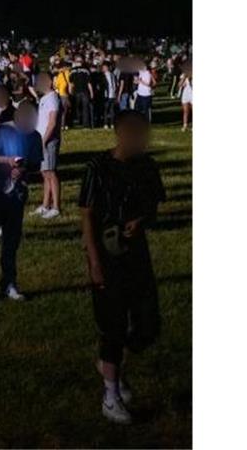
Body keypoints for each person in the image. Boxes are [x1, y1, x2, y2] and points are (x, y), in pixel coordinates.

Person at [79, 109, 165, 425]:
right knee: (112, 325)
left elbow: (155, 206)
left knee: (147, 325)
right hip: (106, 253)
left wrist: (141, 221)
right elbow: (87, 214)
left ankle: (108, 362)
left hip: (137, 255)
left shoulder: (147, 167)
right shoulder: (98, 168)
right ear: (118, 133)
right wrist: (94, 260)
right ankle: (111, 395)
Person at [0, 101, 42, 302]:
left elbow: (36, 164)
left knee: (11, 242)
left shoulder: (35, 137)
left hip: (17, 195)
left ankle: (9, 283)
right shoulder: (1, 131)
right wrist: (7, 161)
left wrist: (23, 168)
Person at [33, 72, 63, 219]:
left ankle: (56, 206)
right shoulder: (44, 98)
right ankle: (45, 205)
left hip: (49, 140)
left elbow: (52, 122)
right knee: (45, 173)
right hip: (42, 139)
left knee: (51, 172)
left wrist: (44, 140)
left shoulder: (53, 98)